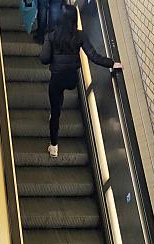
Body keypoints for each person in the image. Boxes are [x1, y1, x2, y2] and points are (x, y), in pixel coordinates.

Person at [39, 5, 122, 158]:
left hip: (57, 78)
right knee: (62, 91)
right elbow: (93, 56)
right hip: (71, 79)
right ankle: (57, 108)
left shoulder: (51, 35)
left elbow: (44, 59)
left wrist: (51, 51)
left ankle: (54, 146)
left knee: (55, 111)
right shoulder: (79, 36)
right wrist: (112, 63)